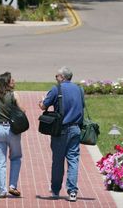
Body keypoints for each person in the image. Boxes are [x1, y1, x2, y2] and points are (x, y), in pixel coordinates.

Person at [39, 66, 84, 202]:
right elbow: (82, 106)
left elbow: (43, 106)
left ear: (62, 77)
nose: (56, 78)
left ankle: (56, 190)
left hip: (60, 130)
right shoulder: (79, 89)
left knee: (58, 161)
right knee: (73, 160)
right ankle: (72, 191)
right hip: (76, 128)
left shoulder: (56, 89)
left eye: (57, 76)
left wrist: (41, 101)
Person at [0, 72, 23, 198]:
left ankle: (2, 191)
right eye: (11, 80)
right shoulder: (14, 95)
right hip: (12, 130)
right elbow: (22, 111)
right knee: (16, 157)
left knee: (0, 162)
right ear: (7, 83)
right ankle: (12, 186)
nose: (14, 81)